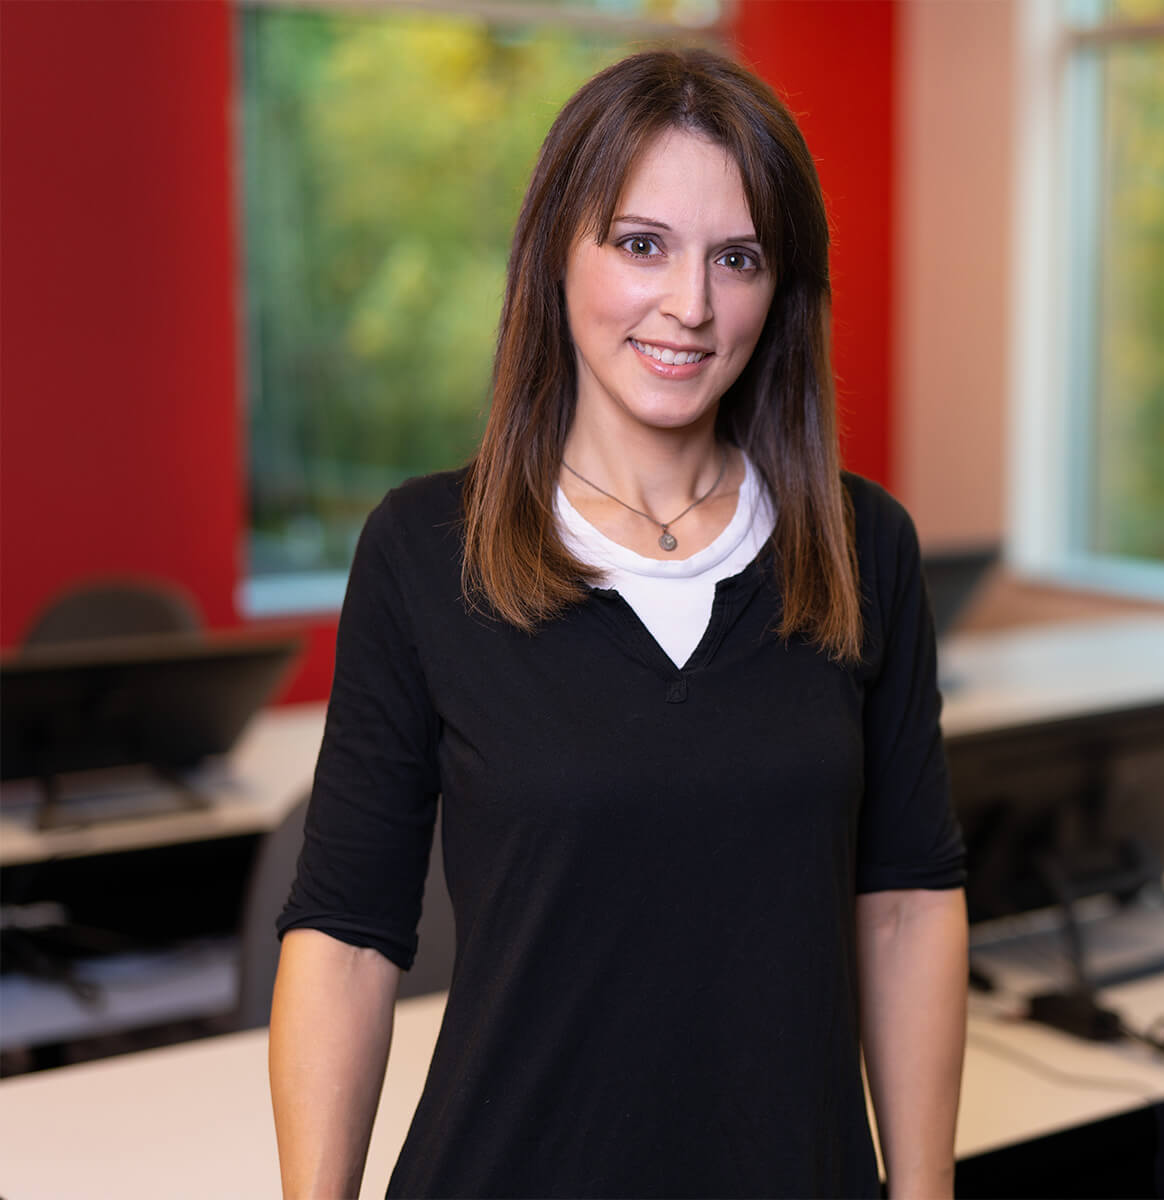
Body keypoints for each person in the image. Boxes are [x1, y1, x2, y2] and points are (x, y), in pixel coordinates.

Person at [267, 46, 968, 1199]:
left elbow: (904, 906)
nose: (688, 307)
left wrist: (923, 1191)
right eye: (641, 244)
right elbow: (345, 937)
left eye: (735, 259)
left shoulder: (860, 549)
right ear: (557, 253)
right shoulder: (423, 550)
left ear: (781, 288)